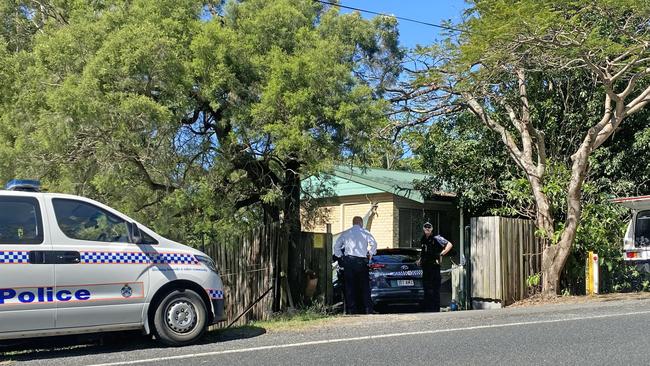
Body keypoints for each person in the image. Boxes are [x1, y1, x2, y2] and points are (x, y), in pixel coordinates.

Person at [334, 216, 378, 314]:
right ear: (361, 223)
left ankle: (351, 310)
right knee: (364, 286)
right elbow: (374, 244)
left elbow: (336, 246)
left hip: (349, 261)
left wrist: (341, 257)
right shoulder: (365, 233)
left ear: (353, 223)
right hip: (361, 261)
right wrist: (370, 253)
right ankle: (367, 308)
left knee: (350, 286)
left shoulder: (346, 233)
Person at [416, 222, 453, 312]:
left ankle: (435, 309)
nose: (427, 229)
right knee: (426, 288)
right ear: (423, 229)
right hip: (426, 267)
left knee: (434, 289)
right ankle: (428, 309)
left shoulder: (437, 238)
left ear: (432, 229)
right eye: (426, 227)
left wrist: (442, 253)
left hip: (434, 266)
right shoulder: (423, 239)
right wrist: (420, 260)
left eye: (429, 227)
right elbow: (424, 252)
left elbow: (449, 244)